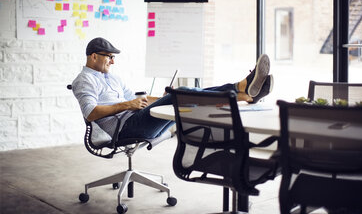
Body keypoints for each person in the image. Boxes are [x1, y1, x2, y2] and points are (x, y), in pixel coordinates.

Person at [72, 37, 273, 141]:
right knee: (184, 93)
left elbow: (135, 99)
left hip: (137, 118)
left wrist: (161, 98)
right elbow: (90, 113)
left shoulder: (112, 77)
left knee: (182, 96)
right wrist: (128, 104)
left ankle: (242, 92)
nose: (112, 61)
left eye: (113, 57)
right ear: (93, 56)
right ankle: (241, 91)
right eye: (109, 56)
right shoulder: (84, 80)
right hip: (123, 129)